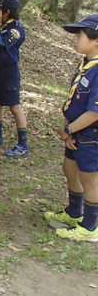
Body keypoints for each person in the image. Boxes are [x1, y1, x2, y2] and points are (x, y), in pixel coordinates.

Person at [44, 14, 98, 243]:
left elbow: (94, 112)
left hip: (90, 135)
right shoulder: (86, 63)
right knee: (70, 170)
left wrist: (69, 130)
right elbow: (76, 99)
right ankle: (74, 213)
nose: (75, 39)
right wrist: (68, 126)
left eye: (80, 35)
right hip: (76, 132)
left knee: (90, 180)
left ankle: (90, 227)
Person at [0, 0, 29, 158]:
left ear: (7, 11)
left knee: (14, 107)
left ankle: (23, 144)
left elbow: (3, 44)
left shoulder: (16, 28)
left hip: (8, 72)